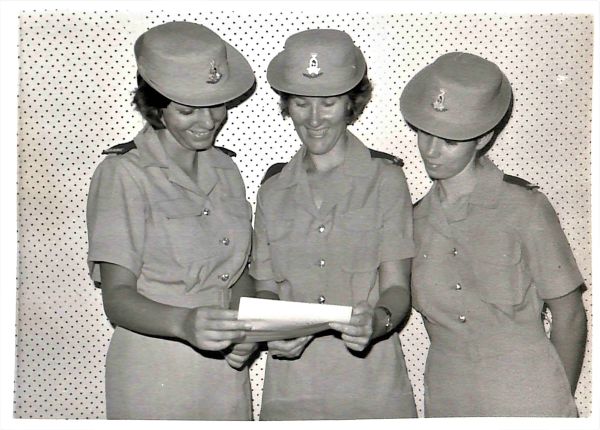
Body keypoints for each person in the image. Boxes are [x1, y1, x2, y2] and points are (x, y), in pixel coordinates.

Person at [400, 52, 587, 417]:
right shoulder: (413, 220)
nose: (431, 151)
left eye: (450, 141)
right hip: (449, 401)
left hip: (530, 398)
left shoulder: (524, 207)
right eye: (426, 133)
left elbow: (570, 316)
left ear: (483, 138)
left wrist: (556, 407)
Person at [86, 21, 258, 420]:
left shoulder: (225, 169)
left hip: (224, 372)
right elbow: (117, 299)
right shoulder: (123, 173)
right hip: (154, 372)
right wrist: (185, 323)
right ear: (156, 108)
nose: (208, 121)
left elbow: (234, 276)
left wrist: (250, 327)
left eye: (217, 105)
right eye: (186, 110)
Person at [250, 29, 417, 420]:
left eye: (328, 103)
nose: (314, 119)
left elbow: (396, 288)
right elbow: (265, 288)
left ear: (350, 104)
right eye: (301, 103)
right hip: (292, 389)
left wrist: (378, 321)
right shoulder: (273, 189)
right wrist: (272, 330)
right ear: (287, 105)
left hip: (371, 385)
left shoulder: (386, 179)